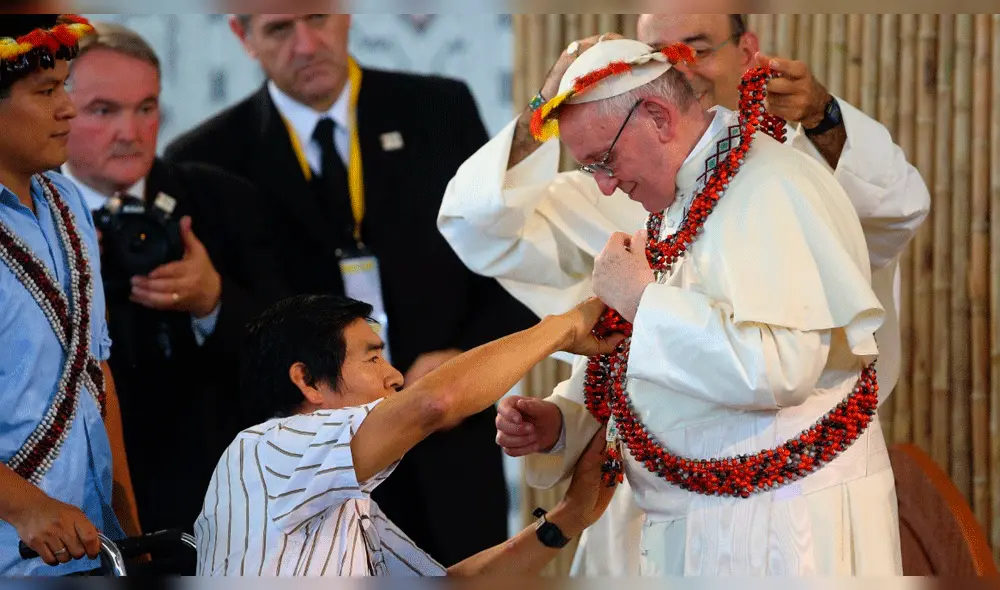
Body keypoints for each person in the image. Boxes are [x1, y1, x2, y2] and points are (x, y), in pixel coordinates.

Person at [438, 14, 929, 576]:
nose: (603, 183)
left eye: (604, 162)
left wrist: (642, 300)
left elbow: (782, 366)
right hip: (674, 521)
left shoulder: (773, 184)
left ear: (657, 114)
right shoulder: (670, 191)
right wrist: (565, 420)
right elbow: (640, 352)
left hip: (778, 532)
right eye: (656, 50)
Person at [164, 14, 538, 566]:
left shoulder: (438, 107)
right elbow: (233, 348)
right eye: (279, 29)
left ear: (345, 14)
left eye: (317, 18)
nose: (307, 44)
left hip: (449, 449)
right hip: (316, 481)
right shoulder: (206, 156)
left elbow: (508, 257)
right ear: (243, 38)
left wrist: (463, 358)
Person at [198, 294, 620, 576]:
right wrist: (565, 326)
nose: (395, 376)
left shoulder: (345, 499)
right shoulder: (264, 449)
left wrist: (570, 517)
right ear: (307, 382)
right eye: (374, 359)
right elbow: (434, 403)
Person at [61, 21, 287, 537]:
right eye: (104, 111)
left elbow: (295, 355)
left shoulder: (223, 201)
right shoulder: (33, 219)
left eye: (146, 108)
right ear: (60, 110)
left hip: (217, 502)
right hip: (77, 508)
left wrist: (213, 301)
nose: (132, 132)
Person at [0, 15, 141, 575]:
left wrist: (129, 523)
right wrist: (25, 505)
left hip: (93, 546)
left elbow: (95, 372)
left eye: (66, 87)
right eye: (45, 91)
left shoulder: (65, 200)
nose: (67, 108)